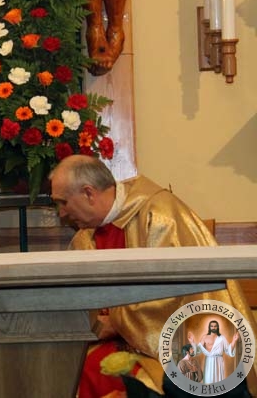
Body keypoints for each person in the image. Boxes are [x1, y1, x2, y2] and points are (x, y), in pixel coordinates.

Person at [49, 154, 257, 397]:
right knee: (68, 369)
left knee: (120, 378)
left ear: (88, 193)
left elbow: (177, 298)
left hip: (179, 349)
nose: (61, 213)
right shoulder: (84, 237)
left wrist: (115, 322)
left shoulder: (160, 216)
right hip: (114, 343)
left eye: (63, 202)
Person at [188, 320, 239, 384]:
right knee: (208, 380)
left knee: (218, 381)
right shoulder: (205, 337)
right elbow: (198, 350)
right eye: (211, 326)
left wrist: (234, 341)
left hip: (218, 362)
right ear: (209, 327)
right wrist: (192, 342)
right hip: (208, 362)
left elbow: (228, 350)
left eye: (215, 326)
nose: (213, 327)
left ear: (217, 327)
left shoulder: (222, 338)